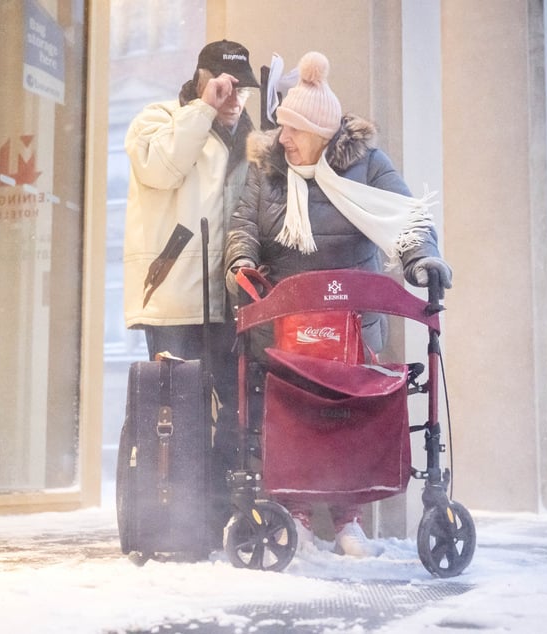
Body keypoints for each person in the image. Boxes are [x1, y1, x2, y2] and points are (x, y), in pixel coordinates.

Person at [224, 51, 453, 557]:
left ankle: (349, 521)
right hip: (286, 320)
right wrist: (240, 260)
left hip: (353, 318)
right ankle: (298, 518)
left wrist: (424, 261)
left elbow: (407, 218)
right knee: (296, 416)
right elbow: (242, 225)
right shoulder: (267, 169)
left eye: (293, 131)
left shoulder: (366, 165)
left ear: (322, 136)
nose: (282, 138)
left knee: (349, 418)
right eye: (281, 128)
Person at [122, 40, 260, 540]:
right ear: (202, 79)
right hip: (173, 298)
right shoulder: (157, 119)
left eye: (242, 88)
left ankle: (215, 515)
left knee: (237, 410)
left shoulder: (250, 139)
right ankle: (167, 518)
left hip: (229, 301)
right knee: (173, 415)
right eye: (224, 85)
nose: (234, 97)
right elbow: (161, 168)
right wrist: (203, 108)